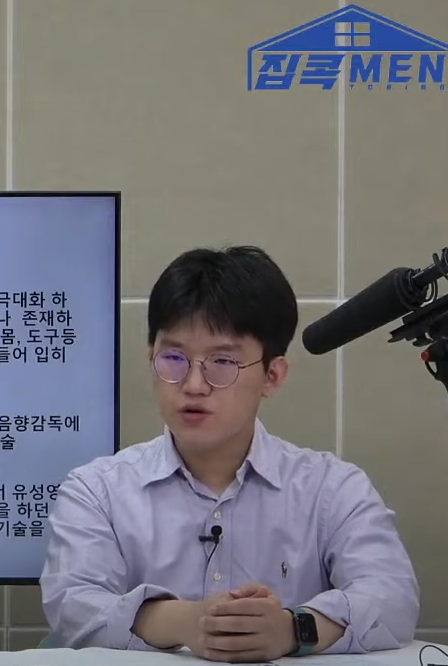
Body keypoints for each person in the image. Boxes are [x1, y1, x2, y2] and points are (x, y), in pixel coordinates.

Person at [40, 246, 418, 662]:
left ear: (272, 375)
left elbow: (393, 596)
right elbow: (73, 604)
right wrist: (186, 622)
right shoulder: (97, 490)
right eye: (173, 358)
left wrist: (293, 628)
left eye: (222, 361)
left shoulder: (333, 489)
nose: (193, 384)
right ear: (151, 360)